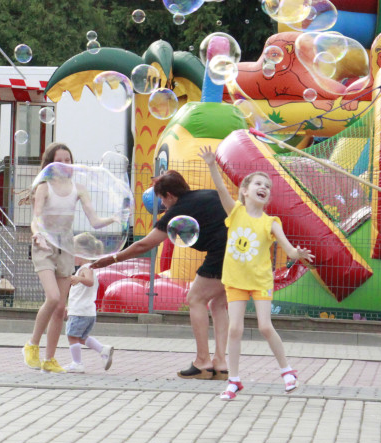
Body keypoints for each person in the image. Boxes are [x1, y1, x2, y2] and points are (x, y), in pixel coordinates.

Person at [200, 146, 314, 401]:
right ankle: (234, 381)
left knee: (264, 326)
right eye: (258, 184)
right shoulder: (236, 212)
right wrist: (211, 164)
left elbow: (288, 248)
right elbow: (220, 188)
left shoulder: (271, 222)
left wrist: (298, 254)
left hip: (261, 281)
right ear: (245, 191)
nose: (264, 188)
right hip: (236, 281)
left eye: (268, 187)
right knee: (235, 330)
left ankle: (287, 371)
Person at [93, 168, 230, 380]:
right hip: (239, 252)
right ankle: (220, 363)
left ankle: (203, 361)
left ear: (169, 195)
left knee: (195, 298)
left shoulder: (177, 212)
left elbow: (144, 244)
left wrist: (112, 259)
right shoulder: (208, 194)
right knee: (218, 304)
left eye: (162, 200)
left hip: (220, 254)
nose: (163, 205)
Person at [23, 143, 117, 374]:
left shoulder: (78, 188)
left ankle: (49, 359)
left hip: (65, 245)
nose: (65, 163)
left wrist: (114, 219)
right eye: (60, 160)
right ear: (51, 164)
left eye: (68, 159)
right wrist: (37, 236)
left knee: (60, 307)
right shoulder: (44, 187)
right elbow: (35, 219)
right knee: (53, 297)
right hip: (44, 244)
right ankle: (32, 345)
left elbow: (93, 221)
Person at [64, 234, 114, 373]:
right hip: (86, 311)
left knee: (72, 336)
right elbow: (82, 292)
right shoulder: (86, 268)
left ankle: (77, 363)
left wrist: (79, 278)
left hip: (81, 312)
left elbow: (89, 281)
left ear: (81, 253)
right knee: (81, 338)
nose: (72, 257)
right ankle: (103, 350)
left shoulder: (85, 268)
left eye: (73, 253)